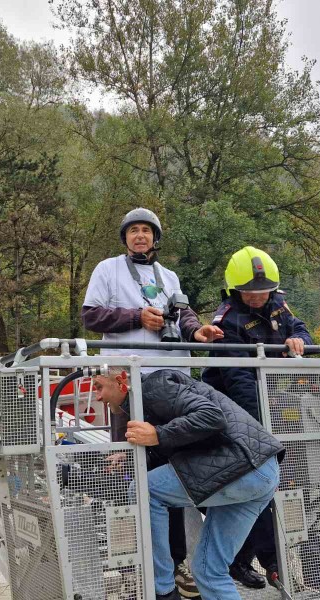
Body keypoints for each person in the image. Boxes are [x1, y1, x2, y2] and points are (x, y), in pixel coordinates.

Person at [82, 207, 222, 598]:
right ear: (125, 238)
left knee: (171, 474)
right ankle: (132, 564)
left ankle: (175, 565)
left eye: (146, 231)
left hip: (171, 385)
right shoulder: (107, 269)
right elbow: (91, 316)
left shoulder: (168, 276)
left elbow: (184, 314)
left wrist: (199, 332)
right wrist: (135, 317)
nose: (140, 236)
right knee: (128, 471)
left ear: (155, 239)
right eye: (134, 231)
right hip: (128, 384)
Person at [93, 367, 283, 600]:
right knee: (208, 571)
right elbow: (176, 450)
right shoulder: (147, 402)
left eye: (99, 387)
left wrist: (158, 435)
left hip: (242, 466)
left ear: (121, 380)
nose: (98, 397)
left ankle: (162, 589)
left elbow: (212, 417)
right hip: (263, 471)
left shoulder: (153, 386)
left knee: (145, 490)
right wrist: (134, 456)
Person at [202, 246, 312, 590]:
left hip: (271, 405)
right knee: (256, 487)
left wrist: (299, 340)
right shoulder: (228, 319)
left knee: (269, 487)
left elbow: (302, 330)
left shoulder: (278, 303)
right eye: (249, 292)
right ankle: (256, 561)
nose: (256, 297)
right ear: (235, 290)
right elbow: (238, 380)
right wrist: (263, 432)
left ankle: (250, 561)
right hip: (237, 410)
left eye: (262, 291)